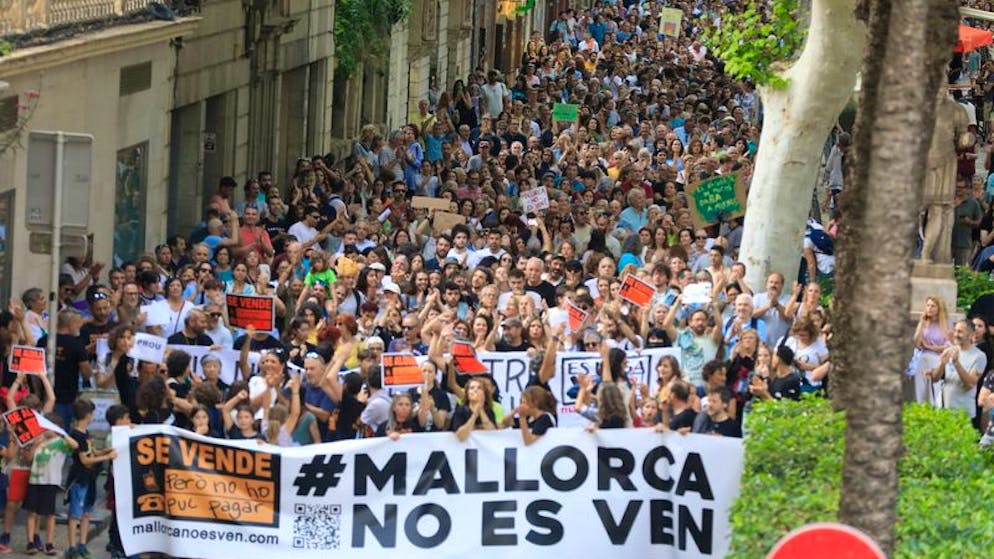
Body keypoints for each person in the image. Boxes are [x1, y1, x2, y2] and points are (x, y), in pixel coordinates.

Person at [66, 398, 117, 559]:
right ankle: (72, 547)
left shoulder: (85, 433)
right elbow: (85, 460)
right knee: (75, 514)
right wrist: (106, 456)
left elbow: (91, 452)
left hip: (90, 479)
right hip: (79, 479)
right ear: (89, 415)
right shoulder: (76, 435)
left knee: (86, 513)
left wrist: (105, 451)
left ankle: (82, 544)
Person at [24, 425, 79, 556]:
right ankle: (30, 542)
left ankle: (49, 543)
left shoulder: (60, 442)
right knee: (32, 512)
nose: (44, 430)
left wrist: (63, 434)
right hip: (35, 480)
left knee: (50, 513)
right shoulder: (38, 440)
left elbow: (75, 446)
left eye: (47, 427)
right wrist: (34, 446)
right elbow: (29, 459)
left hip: (51, 481)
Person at [930, 320, 985, 418]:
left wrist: (956, 363)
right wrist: (942, 364)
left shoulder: (979, 356)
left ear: (970, 334)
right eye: (955, 331)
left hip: (963, 413)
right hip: (943, 409)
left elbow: (969, 385)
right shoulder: (949, 350)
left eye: (960, 332)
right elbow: (935, 378)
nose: (955, 334)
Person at [912, 296, 952, 406]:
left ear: (939, 308)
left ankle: (935, 405)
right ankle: (920, 405)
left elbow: (950, 345)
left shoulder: (947, 323)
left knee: (935, 388)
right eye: (928, 305)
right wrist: (921, 325)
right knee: (920, 386)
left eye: (933, 306)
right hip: (923, 356)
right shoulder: (924, 322)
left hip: (939, 357)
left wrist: (933, 348)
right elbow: (916, 343)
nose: (929, 308)